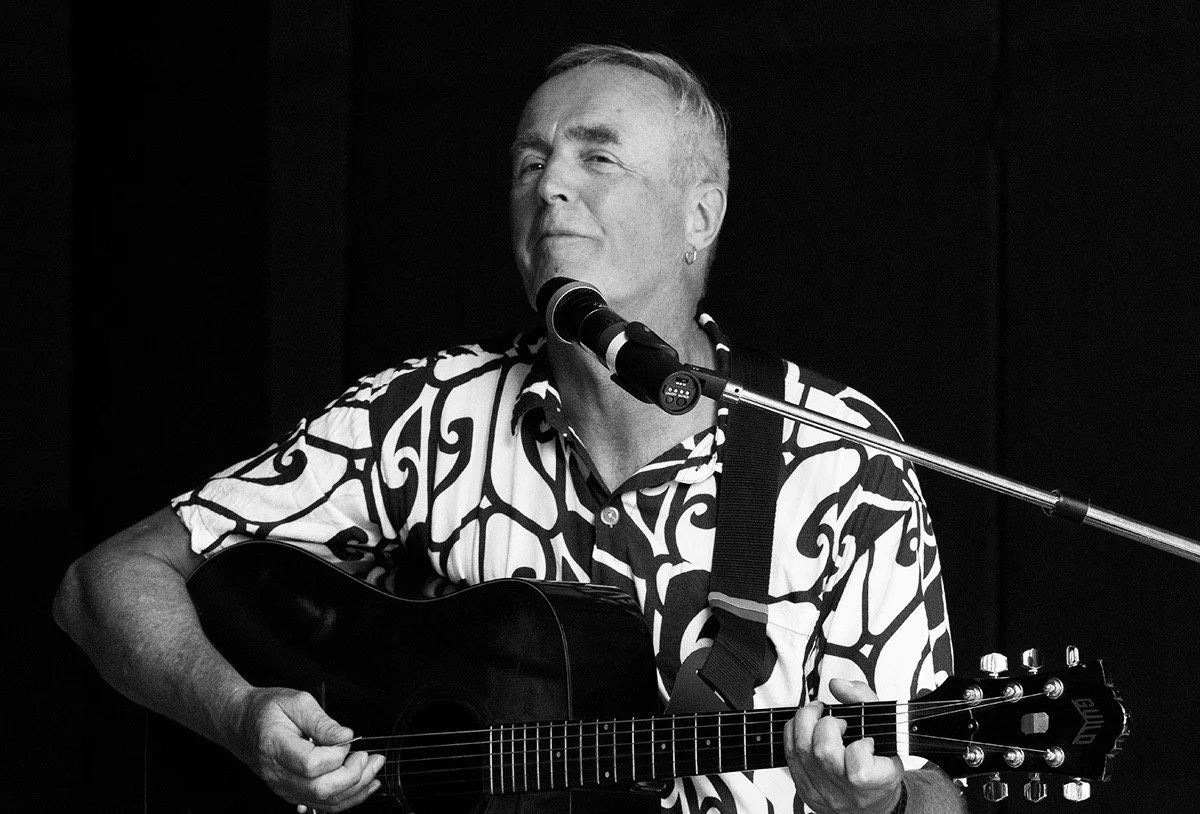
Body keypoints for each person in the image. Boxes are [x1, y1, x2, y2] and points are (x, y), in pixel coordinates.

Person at [54, 44, 963, 813]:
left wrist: (879, 803)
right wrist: (239, 714)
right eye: (530, 163)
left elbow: (940, 788)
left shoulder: (840, 458)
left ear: (701, 215)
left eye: (596, 158)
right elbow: (104, 582)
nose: (550, 186)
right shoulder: (424, 416)